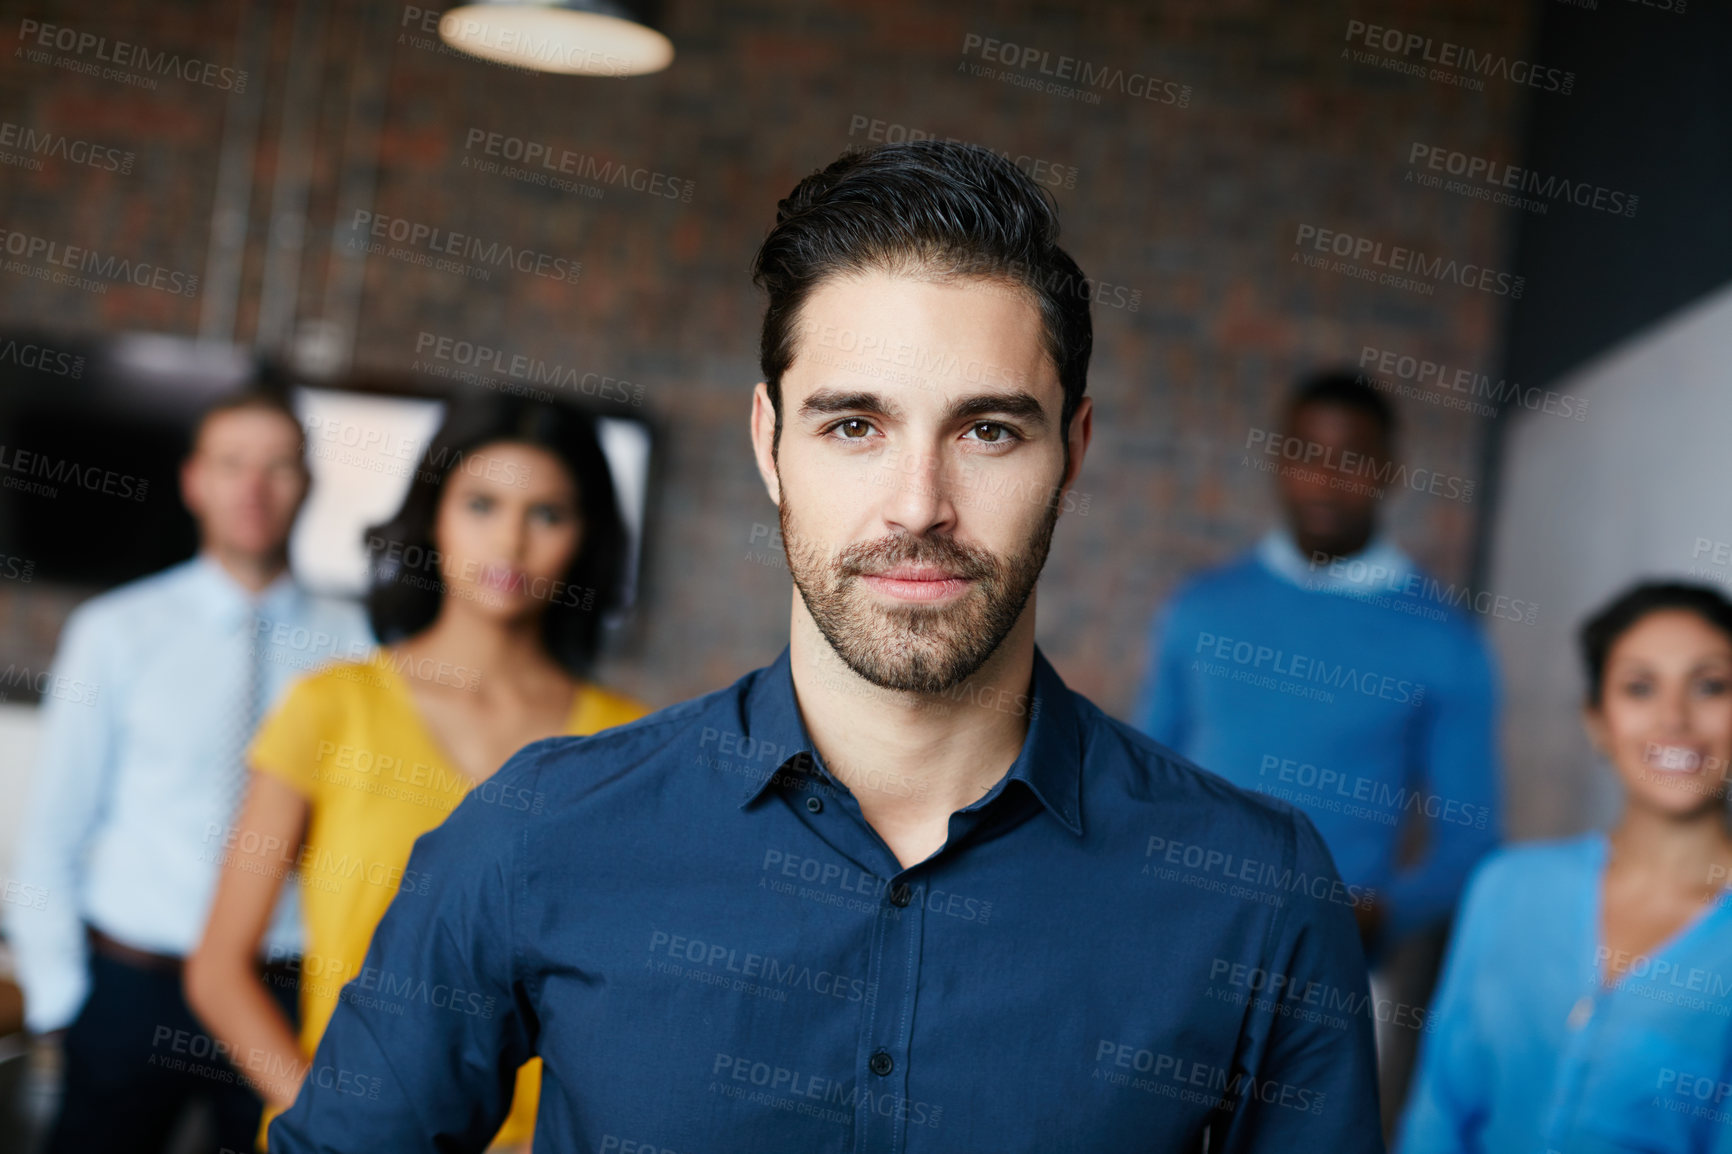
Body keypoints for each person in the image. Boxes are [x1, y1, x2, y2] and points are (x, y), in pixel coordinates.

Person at [267, 141, 1384, 1152]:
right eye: (854, 424)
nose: (918, 504)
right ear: (770, 443)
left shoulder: (1259, 893)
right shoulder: (534, 832)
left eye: (987, 429)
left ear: (1072, 453)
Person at [185, 396, 650, 1151]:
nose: (509, 540)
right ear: (435, 516)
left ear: (586, 537)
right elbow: (218, 970)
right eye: (481, 504)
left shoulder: (628, 741)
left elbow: (630, 997)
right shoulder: (331, 708)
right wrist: (335, 1123)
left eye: (548, 515)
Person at [5, 391, 371, 1153]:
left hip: (283, 994)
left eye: (279, 467)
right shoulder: (114, 632)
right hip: (131, 986)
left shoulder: (360, 649)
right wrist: (62, 999)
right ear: (194, 481)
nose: (254, 488)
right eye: (232, 464)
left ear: (307, 486)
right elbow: (55, 827)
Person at [1133, 372, 1502, 962]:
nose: (1326, 480)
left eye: (1352, 458)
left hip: (1328, 972)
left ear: (1390, 470)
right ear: (1280, 462)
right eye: (1307, 454)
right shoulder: (1200, 609)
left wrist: (1380, 915)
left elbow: (1472, 839)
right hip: (1178, 940)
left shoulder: (1443, 640)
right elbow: (1140, 782)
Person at [1398, 582, 1732, 1153]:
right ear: (1597, 720)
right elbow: (1439, 1110)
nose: (1674, 717)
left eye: (1710, 685)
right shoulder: (1508, 887)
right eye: (1640, 687)